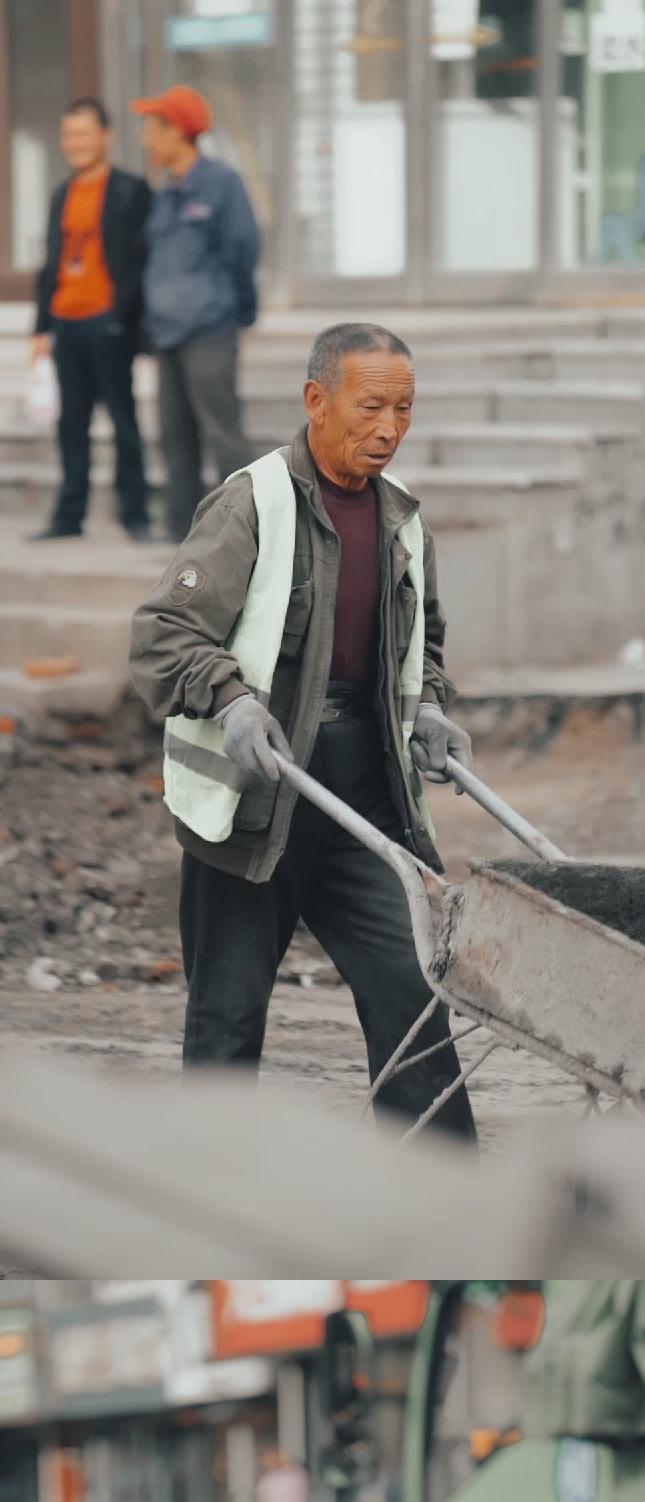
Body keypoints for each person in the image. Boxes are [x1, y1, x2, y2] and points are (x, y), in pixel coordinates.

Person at [129, 320, 479, 1140]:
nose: (389, 429)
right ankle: (213, 1193)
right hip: (258, 800)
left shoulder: (403, 521)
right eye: (370, 407)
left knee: (411, 986)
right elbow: (161, 635)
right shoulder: (252, 503)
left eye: (404, 408)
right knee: (227, 1015)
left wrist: (428, 705)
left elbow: (422, 639)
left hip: (361, 795)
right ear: (316, 401)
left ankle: (447, 1194)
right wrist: (230, 698)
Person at [131, 84, 259, 545]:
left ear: (177, 131)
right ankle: (181, 533)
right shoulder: (165, 195)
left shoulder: (220, 184)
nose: (147, 141)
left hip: (209, 328)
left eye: (152, 130)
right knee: (174, 438)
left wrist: (238, 310)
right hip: (168, 335)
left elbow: (242, 249)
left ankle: (247, 529)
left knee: (223, 433)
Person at [30, 97, 151, 545]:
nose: (75, 143)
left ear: (106, 136)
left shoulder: (130, 191)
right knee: (71, 425)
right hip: (66, 322)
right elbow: (51, 265)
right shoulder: (61, 194)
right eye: (68, 135)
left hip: (108, 322)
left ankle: (135, 514)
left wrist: (121, 314)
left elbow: (141, 262)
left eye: (83, 133)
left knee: (123, 421)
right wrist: (41, 329)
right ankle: (69, 517)